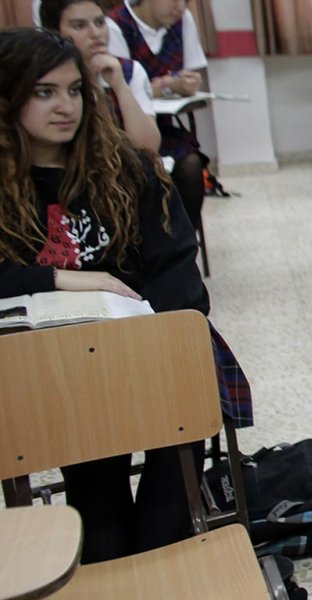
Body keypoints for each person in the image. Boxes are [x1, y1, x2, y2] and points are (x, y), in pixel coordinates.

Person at [0, 28, 251, 564]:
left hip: (149, 347)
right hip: (56, 369)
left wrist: (144, 338)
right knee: (102, 525)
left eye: (74, 91)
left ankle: (167, 545)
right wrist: (60, 278)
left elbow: (179, 276)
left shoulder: (126, 168)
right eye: (44, 92)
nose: (65, 106)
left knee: (164, 524)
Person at [107, 0, 211, 246]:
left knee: (191, 164)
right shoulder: (114, 26)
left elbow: (189, 71)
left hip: (162, 124)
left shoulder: (181, 20)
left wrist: (187, 82)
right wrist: (167, 85)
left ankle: (184, 244)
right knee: (138, 172)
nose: (180, 7)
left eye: (185, 2)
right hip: (119, 126)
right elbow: (120, 87)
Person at [39, 0, 160, 152]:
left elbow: (148, 148)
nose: (95, 34)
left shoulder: (128, 70)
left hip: (124, 166)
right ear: (55, 32)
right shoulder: (44, 77)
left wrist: (120, 86)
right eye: (79, 26)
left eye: (100, 22)